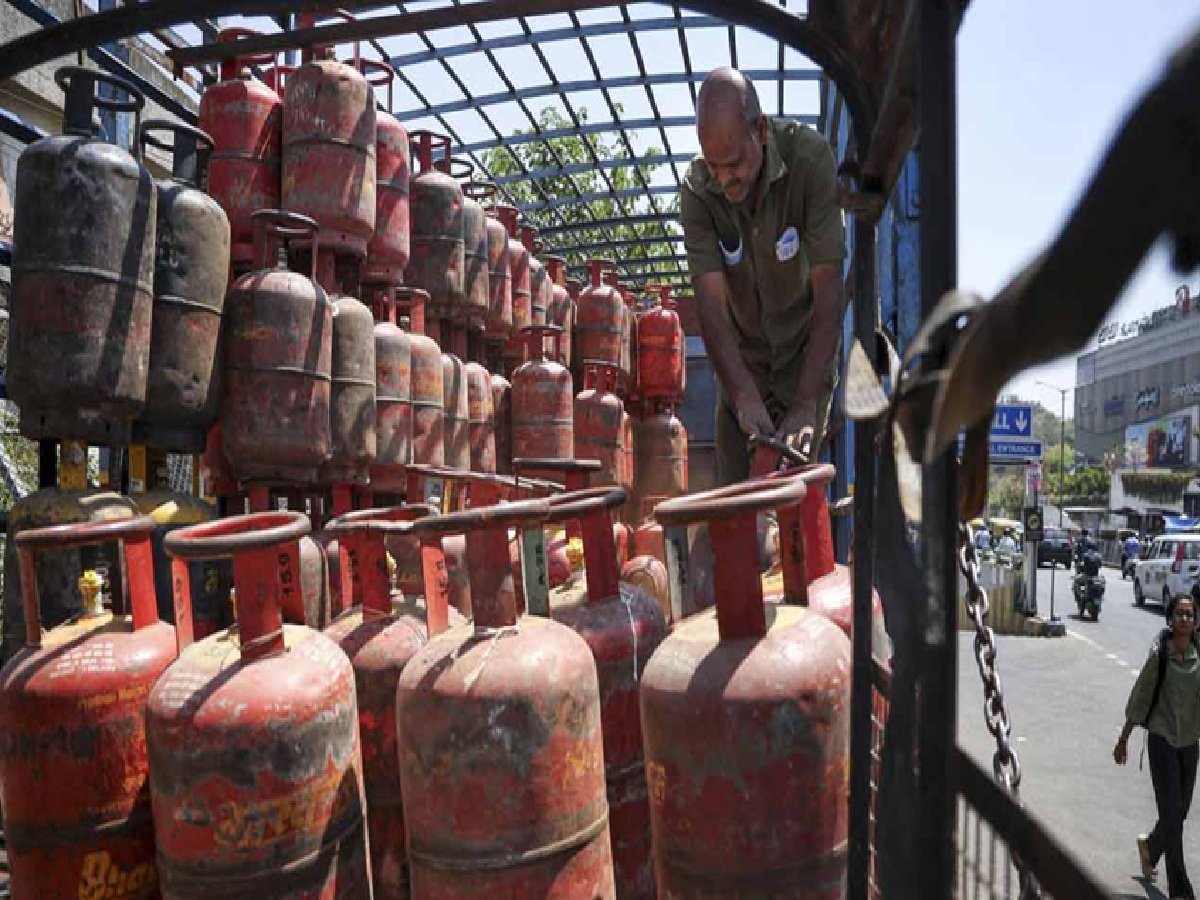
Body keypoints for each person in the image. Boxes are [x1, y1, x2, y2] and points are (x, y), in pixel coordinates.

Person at [680, 67, 846, 484]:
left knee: (794, 494)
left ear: (762, 131)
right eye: (713, 166)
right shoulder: (698, 190)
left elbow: (829, 290)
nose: (723, 179)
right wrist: (742, 396)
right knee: (736, 499)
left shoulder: (810, 162)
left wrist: (805, 404)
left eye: (734, 164)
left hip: (803, 360)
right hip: (741, 366)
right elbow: (710, 307)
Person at [1114, 591, 1200, 899]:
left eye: (1190, 614)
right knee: (1173, 816)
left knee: (1179, 813)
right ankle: (1180, 890)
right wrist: (1124, 738)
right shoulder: (1160, 655)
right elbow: (1140, 696)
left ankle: (1150, 847)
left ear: (1196, 620)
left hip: (1190, 743)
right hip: (1162, 742)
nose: (1185, 618)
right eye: (1180, 613)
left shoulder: (1199, 656)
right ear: (1170, 619)